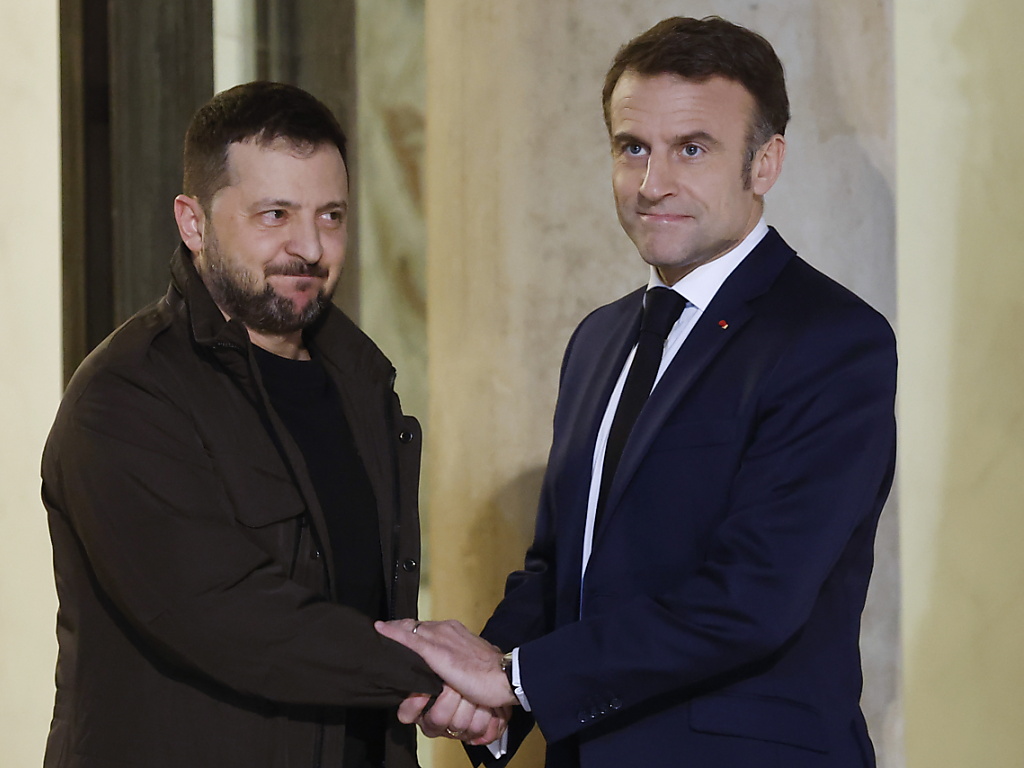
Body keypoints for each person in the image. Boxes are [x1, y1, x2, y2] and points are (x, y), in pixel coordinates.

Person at [376, 16, 897, 768]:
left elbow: (752, 600)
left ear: (765, 163)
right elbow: (560, 569)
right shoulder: (599, 339)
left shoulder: (831, 339)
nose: (653, 184)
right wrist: (487, 696)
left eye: (692, 149)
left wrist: (514, 678)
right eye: (632, 148)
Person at [41, 81, 502, 768]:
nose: (309, 246)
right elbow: (225, 614)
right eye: (275, 214)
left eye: (330, 215)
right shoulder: (125, 396)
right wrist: (436, 673)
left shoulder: (361, 384)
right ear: (193, 223)